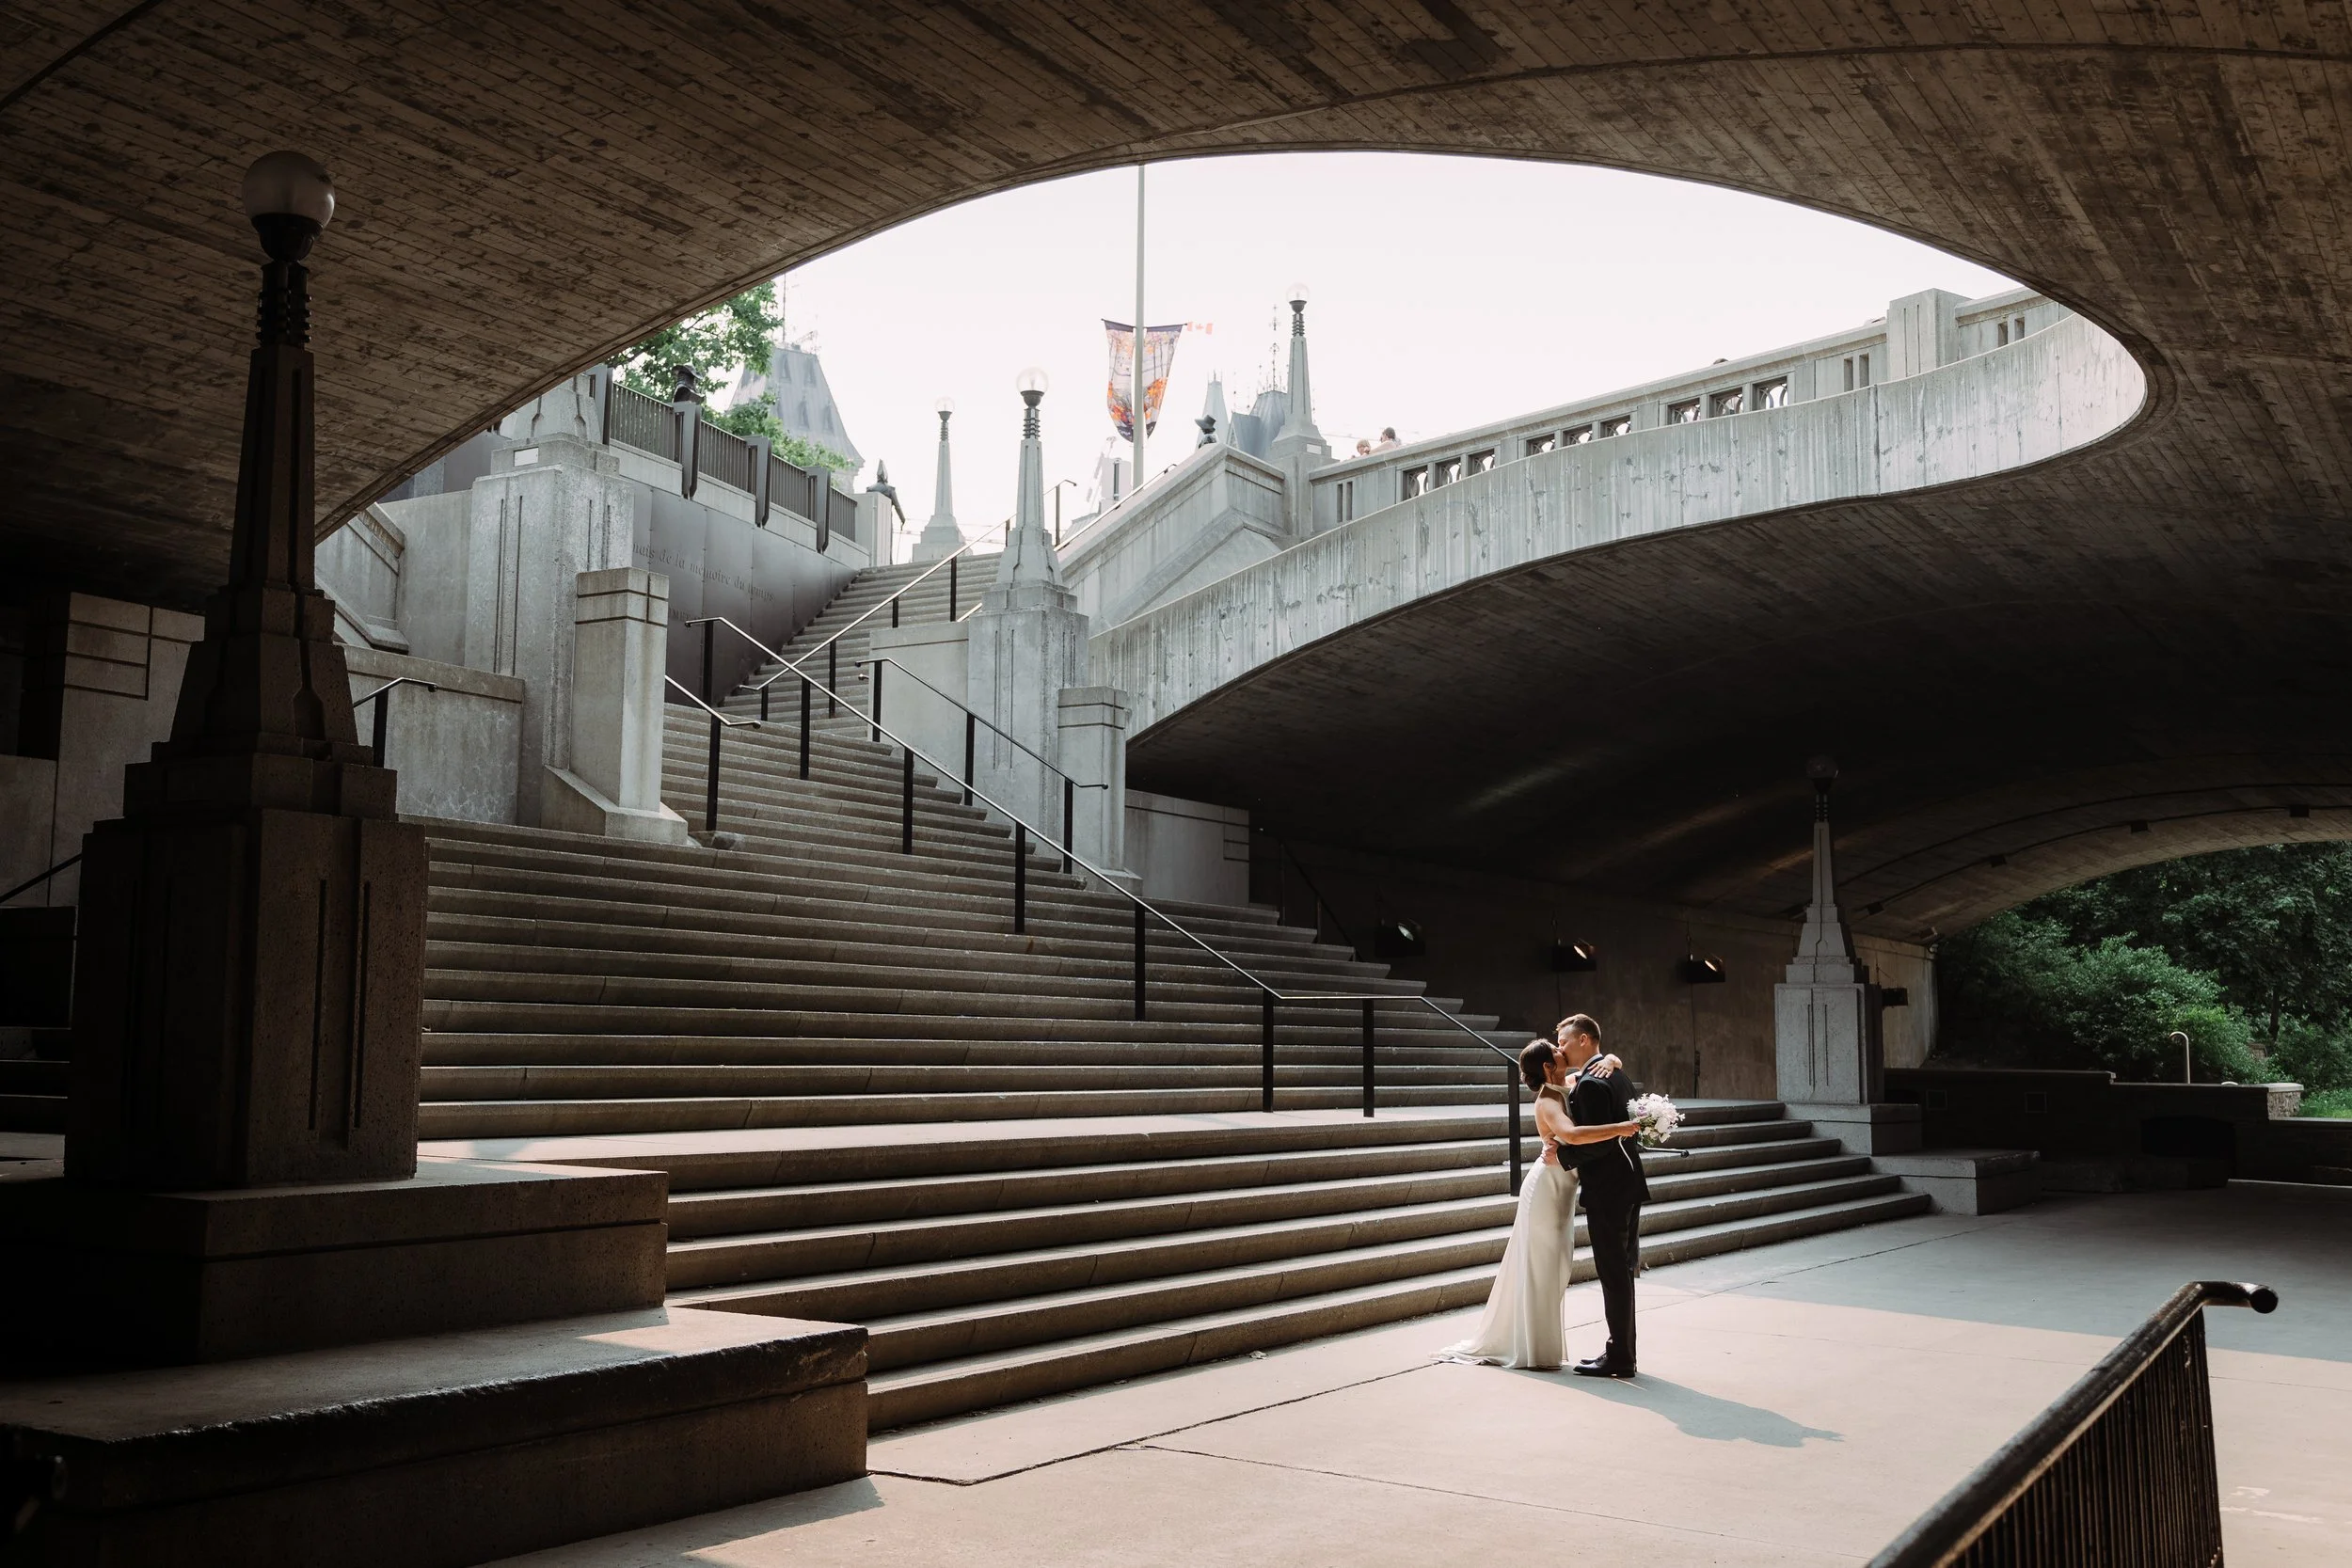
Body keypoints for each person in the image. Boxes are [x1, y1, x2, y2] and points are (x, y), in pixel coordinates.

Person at [1440, 1036, 1635, 1369]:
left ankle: (1540, 1344)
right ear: (1548, 1066)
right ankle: (1531, 1348)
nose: (1564, 1053)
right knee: (1542, 1267)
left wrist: (1612, 1058)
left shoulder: (1567, 1083)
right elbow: (1572, 1136)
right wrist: (1622, 1128)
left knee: (1556, 1267)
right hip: (1545, 1191)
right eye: (1558, 1052)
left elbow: (1601, 1065)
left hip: (1562, 1189)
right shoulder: (1548, 1100)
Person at [1555, 1013, 1649, 1377]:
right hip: (1628, 1183)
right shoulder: (1615, 1073)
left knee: (1614, 1274)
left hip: (1608, 1188)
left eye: (1564, 1040)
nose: (1561, 1047)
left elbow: (1596, 1142)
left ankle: (1621, 1357)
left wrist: (1562, 1155)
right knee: (1622, 1272)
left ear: (1583, 1040)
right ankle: (1624, 1352)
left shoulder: (1593, 1084)